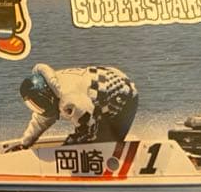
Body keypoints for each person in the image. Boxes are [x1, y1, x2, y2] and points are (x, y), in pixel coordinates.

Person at [10, 63, 138, 150]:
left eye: (39, 103)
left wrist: (68, 147)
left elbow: (89, 129)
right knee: (88, 139)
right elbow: (41, 121)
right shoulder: (52, 86)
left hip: (122, 93)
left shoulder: (69, 100)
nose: (39, 108)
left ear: (46, 96)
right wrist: (24, 143)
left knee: (98, 143)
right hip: (105, 84)